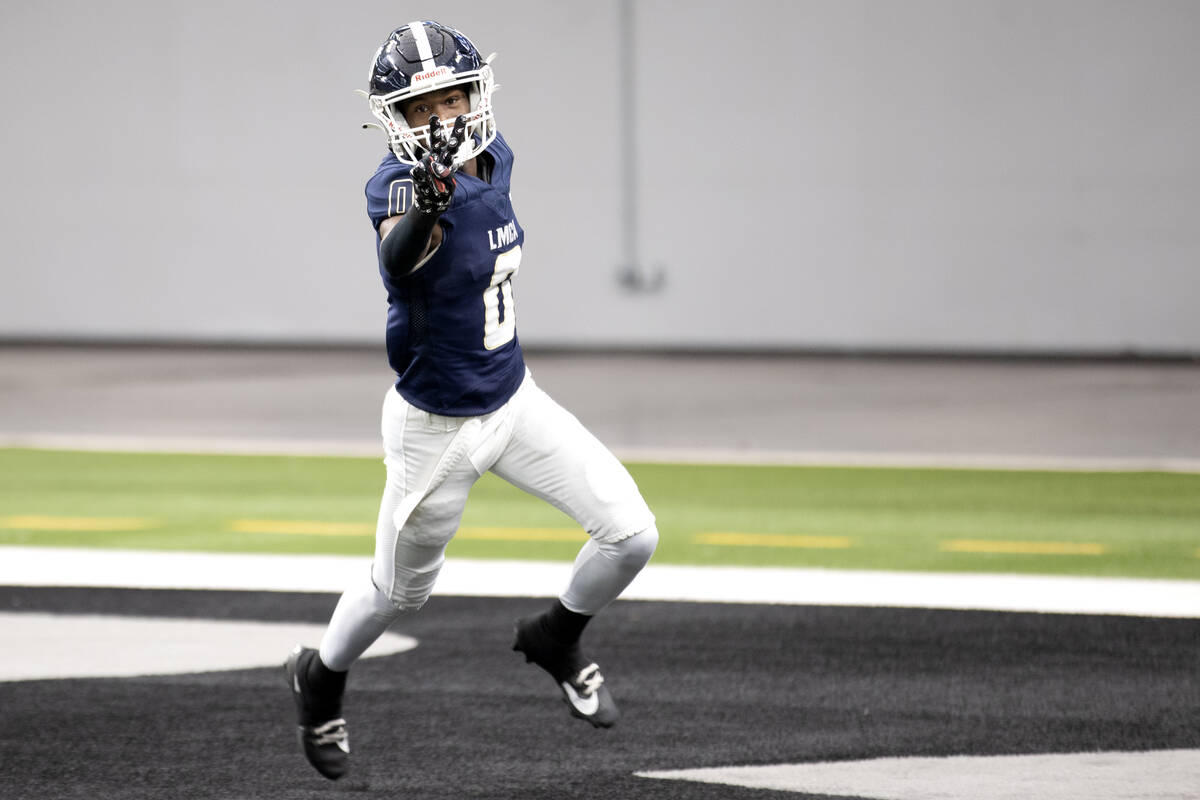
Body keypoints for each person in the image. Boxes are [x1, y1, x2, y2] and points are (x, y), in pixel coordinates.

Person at [284, 20, 659, 781]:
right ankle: (319, 676)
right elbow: (398, 260)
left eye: (451, 97)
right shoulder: (394, 187)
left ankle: (555, 637)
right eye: (420, 108)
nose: (441, 118)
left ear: (476, 93)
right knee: (398, 595)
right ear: (395, 117)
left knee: (633, 534)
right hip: (436, 428)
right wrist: (426, 205)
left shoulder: (497, 155)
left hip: (513, 399)